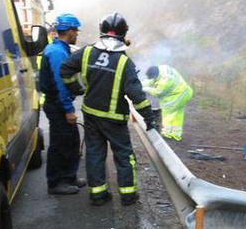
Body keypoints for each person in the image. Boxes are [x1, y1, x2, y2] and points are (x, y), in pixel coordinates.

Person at [60, 12, 156, 206]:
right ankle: (128, 195)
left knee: (95, 154)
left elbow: (65, 69)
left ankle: (98, 194)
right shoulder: (123, 62)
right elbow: (137, 95)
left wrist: (77, 88)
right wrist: (149, 118)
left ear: (101, 31)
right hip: (114, 120)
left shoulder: (86, 52)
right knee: (124, 156)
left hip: (91, 115)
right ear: (123, 34)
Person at [38, 13, 85, 195]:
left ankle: (69, 177)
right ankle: (56, 182)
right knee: (60, 144)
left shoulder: (59, 48)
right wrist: (68, 109)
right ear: (70, 31)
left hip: (58, 102)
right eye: (76, 31)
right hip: (57, 104)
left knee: (71, 141)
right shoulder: (57, 52)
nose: (77, 35)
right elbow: (60, 82)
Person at [144, 65, 193, 141]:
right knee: (177, 114)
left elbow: (158, 92)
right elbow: (153, 80)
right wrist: (142, 84)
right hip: (185, 92)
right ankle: (176, 134)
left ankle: (166, 134)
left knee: (168, 112)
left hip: (178, 95)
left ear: (154, 75)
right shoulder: (162, 68)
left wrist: (146, 89)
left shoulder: (165, 81)